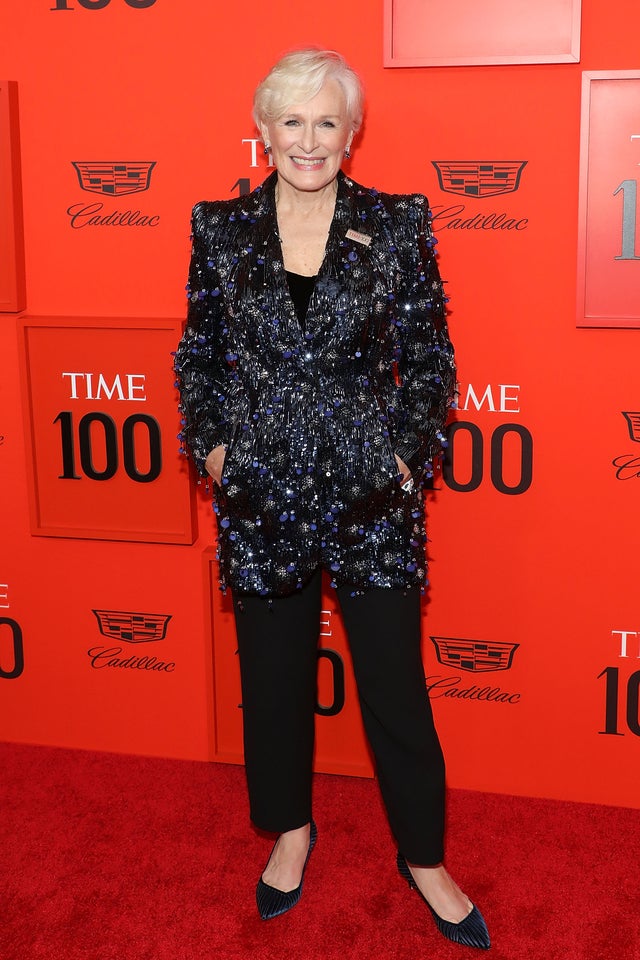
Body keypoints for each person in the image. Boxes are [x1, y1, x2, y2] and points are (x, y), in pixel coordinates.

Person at [174, 48, 490, 949]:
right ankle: (292, 831)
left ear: (350, 136)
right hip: (263, 488)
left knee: (393, 685)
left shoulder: (396, 224)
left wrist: (400, 454)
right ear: (264, 128)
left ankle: (422, 854)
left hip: (368, 495)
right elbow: (197, 355)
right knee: (272, 680)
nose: (307, 140)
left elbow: (430, 359)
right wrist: (219, 453)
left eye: (326, 123)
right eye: (291, 121)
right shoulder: (218, 228)